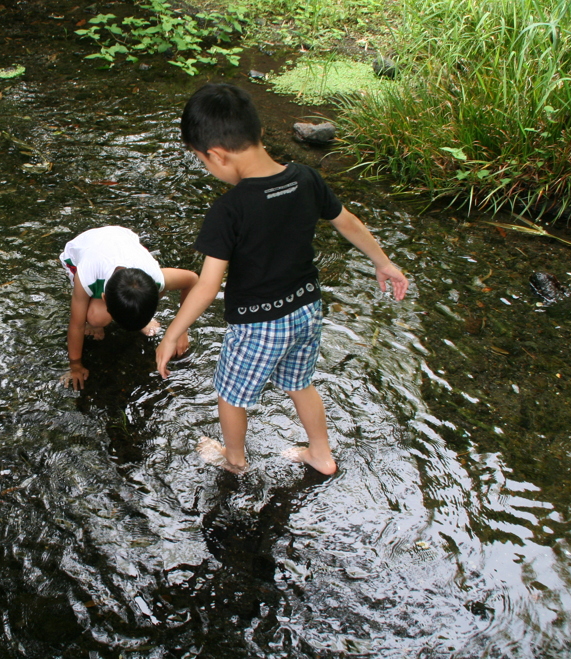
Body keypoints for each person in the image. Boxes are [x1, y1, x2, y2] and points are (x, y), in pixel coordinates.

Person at [155, 83, 409, 475]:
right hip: (307, 308)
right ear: (257, 132)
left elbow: (207, 286)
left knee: (230, 395)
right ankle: (321, 454)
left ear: (217, 155)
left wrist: (173, 331)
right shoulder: (305, 178)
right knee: (300, 383)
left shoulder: (229, 210)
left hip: (258, 324)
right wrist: (383, 262)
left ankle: (235, 460)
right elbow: (347, 222)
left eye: (202, 161)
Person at [61, 225, 199, 390]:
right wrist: (75, 365)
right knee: (95, 317)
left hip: (124, 239)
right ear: (104, 297)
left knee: (158, 288)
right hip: (84, 248)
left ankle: (141, 318)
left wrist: (182, 330)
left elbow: (192, 280)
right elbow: (76, 324)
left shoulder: (155, 276)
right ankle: (94, 323)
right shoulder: (86, 276)